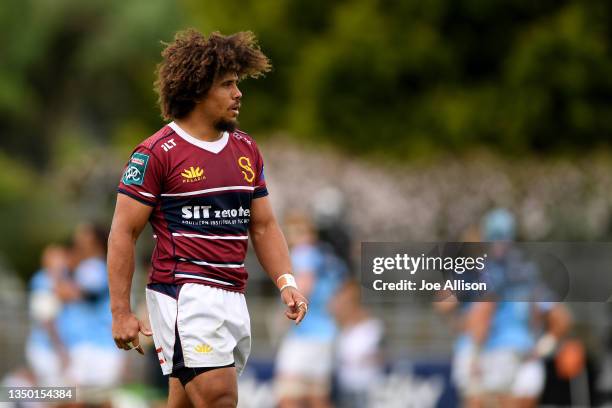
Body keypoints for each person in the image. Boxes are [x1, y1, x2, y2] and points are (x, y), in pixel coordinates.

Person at [108, 29, 308, 408]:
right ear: (198, 88)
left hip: (233, 294)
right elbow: (123, 231)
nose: (239, 94)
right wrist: (121, 311)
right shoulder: (156, 153)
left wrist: (286, 282)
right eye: (228, 84)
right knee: (218, 397)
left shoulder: (246, 148)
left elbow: (263, 225)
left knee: (185, 400)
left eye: (238, 83)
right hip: (185, 294)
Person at [275, 212, 346, 408]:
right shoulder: (326, 255)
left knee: (287, 396)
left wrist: (288, 308)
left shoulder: (303, 252)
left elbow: (305, 283)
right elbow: (339, 296)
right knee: (317, 397)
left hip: (305, 333)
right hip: (326, 331)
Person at [329, 279, 384, 408]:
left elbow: (380, 355)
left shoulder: (373, 327)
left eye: (347, 302)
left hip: (366, 386)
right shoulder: (339, 330)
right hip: (345, 386)